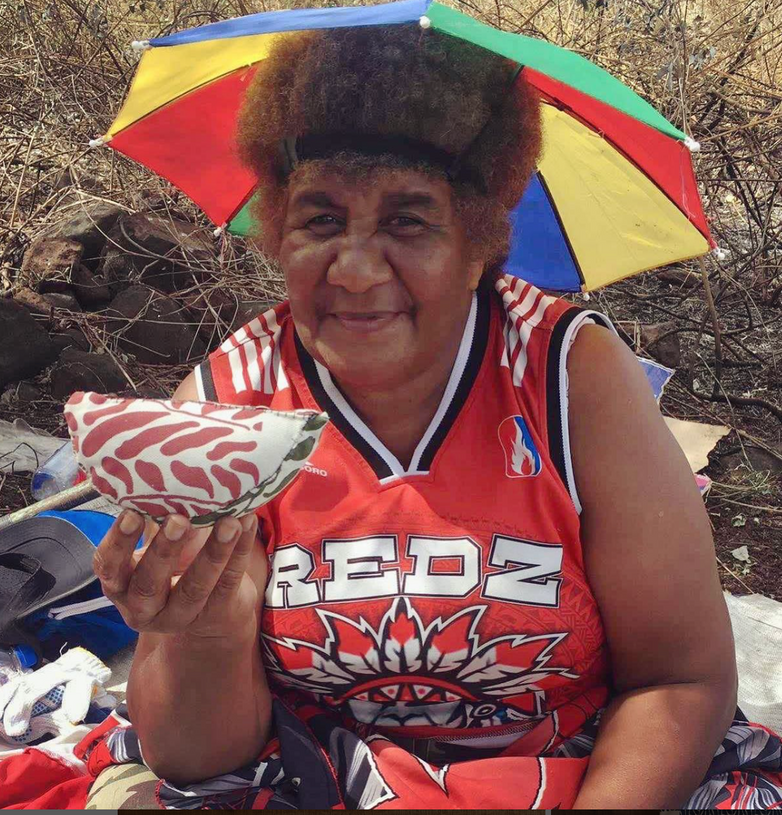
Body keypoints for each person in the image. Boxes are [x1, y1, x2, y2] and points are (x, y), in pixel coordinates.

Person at [85, 23, 782, 811]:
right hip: (321, 776)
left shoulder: (568, 377)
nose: (352, 268)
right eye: (320, 219)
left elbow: (680, 679)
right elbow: (197, 763)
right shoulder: (231, 406)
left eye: (407, 221)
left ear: (479, 238)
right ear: (277, 226)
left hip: (577, 770)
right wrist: (204, 630)